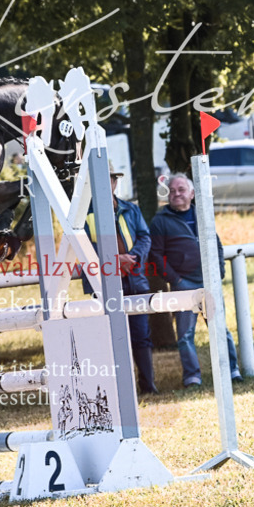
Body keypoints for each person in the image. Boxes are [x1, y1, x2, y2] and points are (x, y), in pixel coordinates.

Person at [148, 173, 243, 388]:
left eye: (181, 190)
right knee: (185, 336)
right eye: (172, 191)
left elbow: (217, 245)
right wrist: (175, 279)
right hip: (183, 285)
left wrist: (218, 273)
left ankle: (231, 370)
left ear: (191, 193)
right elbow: (156, 255)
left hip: (210, 282)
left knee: (220, 329)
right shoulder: (160, 221)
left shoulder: (202, 214)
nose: (176, 194)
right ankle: (192, 377)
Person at [84, 166, 158, 394]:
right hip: (104, 284)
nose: (107, 186)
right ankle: (118, 391)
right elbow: (84, 248)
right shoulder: (83, 215)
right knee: (110, 339)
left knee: (141, 336)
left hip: (134, 280)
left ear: (116, 183)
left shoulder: (131, 209)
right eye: (100, 181)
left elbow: (145, 237)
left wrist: (133, 258)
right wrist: (116, 261)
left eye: (110, 180)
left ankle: (148, 386)